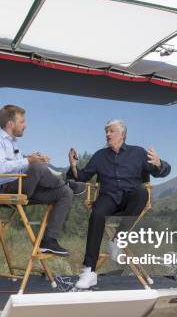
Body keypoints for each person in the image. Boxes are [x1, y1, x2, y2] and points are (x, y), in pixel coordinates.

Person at [67, 119, 171, 289]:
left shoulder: (137, 153)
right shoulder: (100, 155)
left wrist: (160, 164)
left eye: (111, 131)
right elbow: (82, 177)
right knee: (97, 215)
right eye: (106, 131)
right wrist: (73, 165)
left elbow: (162, 172)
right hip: (108, 198)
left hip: (131, 200)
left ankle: (117, 240)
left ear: (122, 134)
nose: (108, 134)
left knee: (142, 192)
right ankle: (89, 271)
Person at [0, 104, 85, 256]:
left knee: (65, 193)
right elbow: (1, 168)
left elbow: (19, 167)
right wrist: (29, 161)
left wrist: (33, 159)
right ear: (11, 124)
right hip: (4, 190)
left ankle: (49, 241)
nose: (25, 125)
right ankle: (66, 180)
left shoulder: (13, 142)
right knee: (37, 167)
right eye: (22, 121)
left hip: (20, 187)